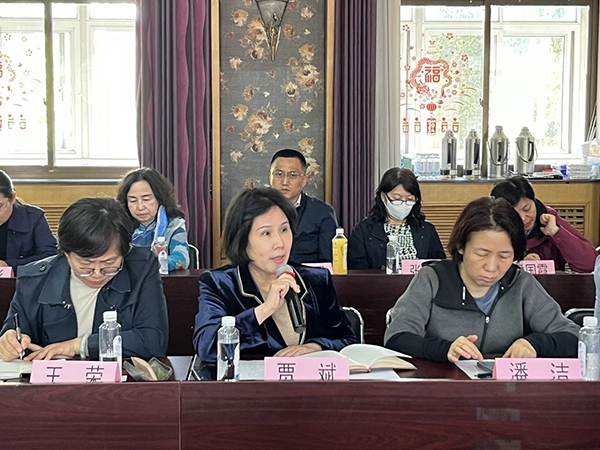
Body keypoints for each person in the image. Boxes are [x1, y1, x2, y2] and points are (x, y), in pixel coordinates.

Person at [385, 197, 580, 363]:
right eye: (481, 254)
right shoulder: (432, 279)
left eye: (504, 256)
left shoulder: (521, 283)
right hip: (444, 386)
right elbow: (397, 337)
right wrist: (444, 349)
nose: (492, 267)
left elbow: (574, 337)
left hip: (505, 388)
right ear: (461, 246)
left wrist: (535, 344)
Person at [194, 187, 357, 362]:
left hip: (308, 379)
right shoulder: (219, 284)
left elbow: (348, 341)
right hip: (252, 380)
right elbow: (207, 348)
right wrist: (266, 309)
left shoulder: (316, 280)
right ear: (242, 238)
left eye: (284, 230)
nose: (279, 243)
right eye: (266, 233)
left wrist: (316, 347)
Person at [0, 197, 169, 362]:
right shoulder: (34, 280)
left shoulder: (142, 269)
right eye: (85, 264)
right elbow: (14, 331)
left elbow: (153, 340)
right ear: (65, 253)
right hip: (53, 379)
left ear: (125, 252)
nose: (97, 273)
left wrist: (79, 345)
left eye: (109, 263)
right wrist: (9, 341)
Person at [491, 176, 597, 273]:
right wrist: (520, 264)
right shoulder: (492, 225)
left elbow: (590, 264)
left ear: (534, 201)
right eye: (515, 215)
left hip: (550, 286)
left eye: (527, 209)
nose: (523, 218)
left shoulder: (549, 219)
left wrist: (556, 232)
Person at [348, 168, 445, 270]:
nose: (403, 204)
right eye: (397, 199)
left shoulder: (427, 230)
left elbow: (439, 268)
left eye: (410, 199)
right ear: (383, 196)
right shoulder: (363, 231)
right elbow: (357, 271)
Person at [269, 149, 338, 263]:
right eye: (279, 174)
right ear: (270, 177)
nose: (285, 182)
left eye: (293, 175)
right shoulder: (255, 211)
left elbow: (328, 262)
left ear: (304, 180)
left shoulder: (322, 212)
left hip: (306, 273)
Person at [117, 167, 190, 271]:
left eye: (146, 199)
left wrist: (152, 265)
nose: (140, 207)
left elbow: (181, 259)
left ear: (159, 198)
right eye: (133, 201)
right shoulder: (118, 225)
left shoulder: (173, 225)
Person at [0, 170, 57, 274]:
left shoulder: (34, 218)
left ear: (13, 198)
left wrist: (9, 266)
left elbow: (51, 256)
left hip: (23, 280)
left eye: (0, 206)